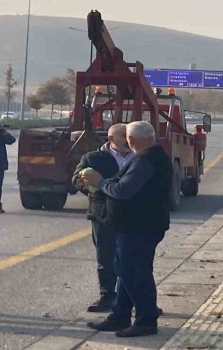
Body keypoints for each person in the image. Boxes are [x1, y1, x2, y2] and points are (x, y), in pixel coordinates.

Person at [80, 121, 172, 338]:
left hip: (140, 227)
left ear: (132, 140)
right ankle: (119, 315)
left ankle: (146, 320)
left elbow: (123, 190)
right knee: (125, 271)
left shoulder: (146, 161)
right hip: (137, 225)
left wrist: (101, 183)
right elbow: (123, 183)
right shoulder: (153, 158)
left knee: (135, 273)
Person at [71, 123, 134, 313]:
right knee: (105, 256)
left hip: (132, 214)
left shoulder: (139, 157)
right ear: (111, 139)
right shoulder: (94, 158)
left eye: (129, 135)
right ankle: (107, 295)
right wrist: (85, 184)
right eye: (123, 135)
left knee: (133, 257)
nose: (128, 139)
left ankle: (135, 297)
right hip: (103, 214)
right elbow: (76, 179)